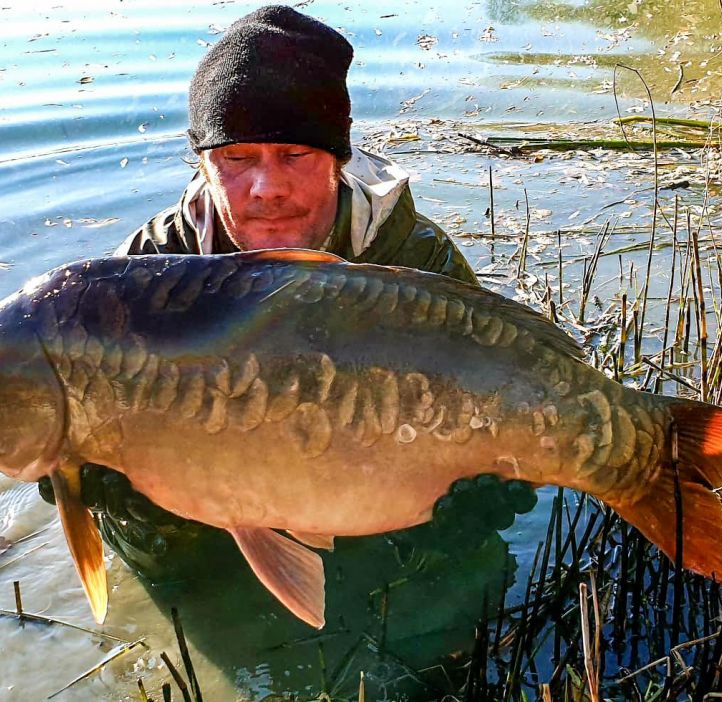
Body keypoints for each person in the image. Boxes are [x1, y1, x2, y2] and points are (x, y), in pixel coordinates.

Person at [39, 7, 537, 693]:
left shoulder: (413, 259)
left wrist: (476, 504)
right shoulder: (142, 279)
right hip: (203, 518)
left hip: (375, 504)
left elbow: (510, 391)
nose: (266, 188)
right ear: (204, 164)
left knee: (442, 601)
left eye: (295, 156)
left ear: (337, 158)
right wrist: (98, 483)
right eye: (236, 159)